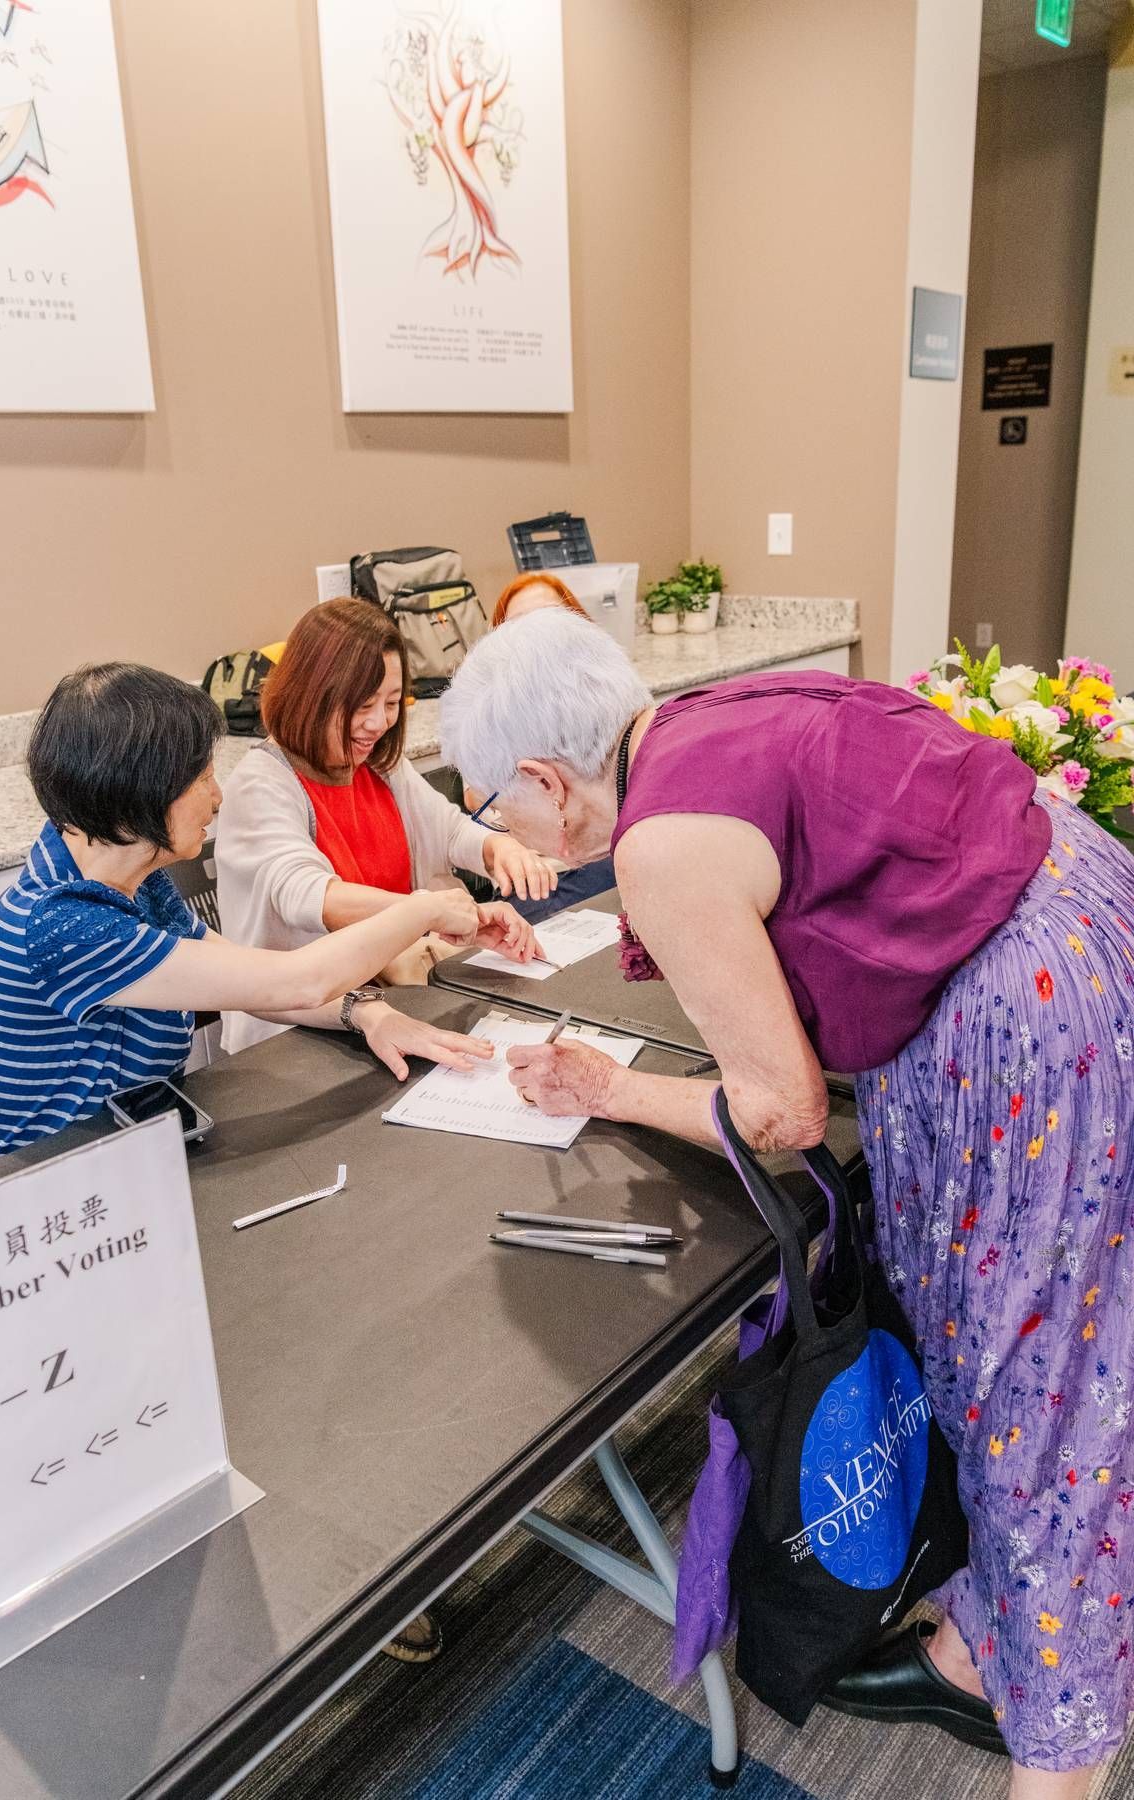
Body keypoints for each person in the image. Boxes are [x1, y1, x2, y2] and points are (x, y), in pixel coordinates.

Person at [440, 609, 1134, 1799]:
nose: (500, 828)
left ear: (550, 781)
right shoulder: (717, 717)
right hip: (1093, 924)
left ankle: (1063, 1757)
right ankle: (976, 1652)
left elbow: (782, 1112)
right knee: (1084, 1345)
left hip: (1029, 1031)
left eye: (497, 804)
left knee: (1034, 1403)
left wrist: (615, 1089)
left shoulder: (659, 845)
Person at [0, 664, 494, 1173]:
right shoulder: (64, 924)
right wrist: (421, 907)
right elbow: (298, 980)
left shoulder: (122, 871)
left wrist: (369, 1014)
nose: (217, 798)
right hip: (50, 1205)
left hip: (132, 1151)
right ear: (139, 792)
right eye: (203, 778)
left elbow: (249, 975)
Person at [215, 600, 554, 1055]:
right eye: (361, 705)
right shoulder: (262, 783)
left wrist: (497, 848)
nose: (378, 723)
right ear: (309, 695)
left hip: (392, 1001)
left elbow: (448, 830)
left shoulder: (378, 765)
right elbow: (310, 897)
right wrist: (430, 910)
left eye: (392, 703)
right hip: (304, 1027)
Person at [481, 572, 618, 923]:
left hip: (607, 858)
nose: (537, 638)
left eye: (550, 621)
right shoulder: (490, 712)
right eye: (520, 628)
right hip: (540, 874)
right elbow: (474, 796)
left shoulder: (611, 696)